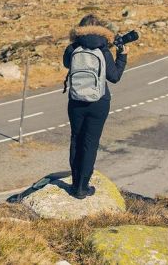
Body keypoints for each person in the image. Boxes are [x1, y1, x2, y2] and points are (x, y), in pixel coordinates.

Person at [63, 14, 127, 199]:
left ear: (79, 29)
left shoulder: (72, 48)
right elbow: (114, 77)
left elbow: (67, 64)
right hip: (99, 102)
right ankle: (83, 188)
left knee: (76, 139)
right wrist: (122, 56)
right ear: (100, 28)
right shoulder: (104, 49)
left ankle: (75, 184)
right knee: (90, 144)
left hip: (76, 101)